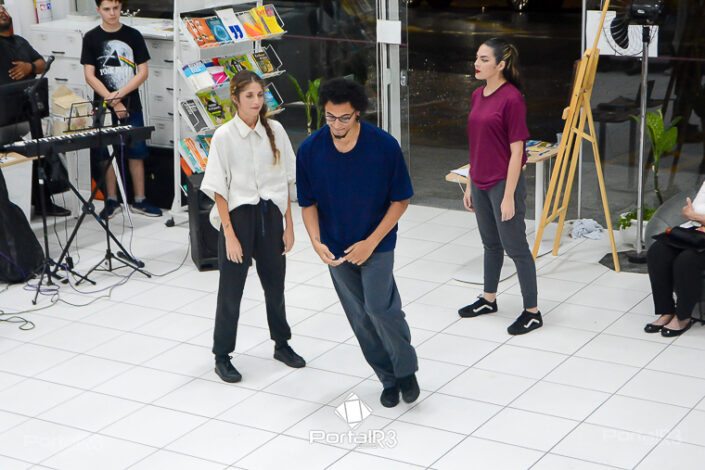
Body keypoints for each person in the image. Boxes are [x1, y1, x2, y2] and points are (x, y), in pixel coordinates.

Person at [297, 78, 420, 408]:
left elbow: (400, 200)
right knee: (360, 318)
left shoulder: (383, 147)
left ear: (358, 114)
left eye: (344, 118)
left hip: (377, 243)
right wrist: (316, 241)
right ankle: (388, 378)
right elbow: (308, 203)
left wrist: (370, 242)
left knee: (380, 308)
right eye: (330, 117)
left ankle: (406, 371)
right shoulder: (310, 150)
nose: (337, 125)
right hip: (336, 248)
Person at [200, 70, 305, 383]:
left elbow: (286, 180)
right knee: (231, 291)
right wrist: (229, 235)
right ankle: (222, 355)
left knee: (275, 286)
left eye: (260, 95)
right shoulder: (224, 136)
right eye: (249, 96)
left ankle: (282, 344)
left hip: (270, 217)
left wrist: (289, 226)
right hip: (238, 219)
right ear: (235, 98)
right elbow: (219, 189)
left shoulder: (276, 130)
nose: (257, 101)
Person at [458, 37, 543, 335]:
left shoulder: (512, 98)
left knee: (516, 248)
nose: (477, 64)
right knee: (490, 244)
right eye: (476, 58)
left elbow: (518, 152)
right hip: (480, 181)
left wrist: (508, 197)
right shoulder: (477, 95)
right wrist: (470, 184)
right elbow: (476, 145)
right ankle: (488, 299)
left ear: (501, 65)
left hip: (504, 184)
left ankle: (532, 312)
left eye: (484, 59)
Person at [80, 0, 161, 219]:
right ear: (98, 10)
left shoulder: (133, 35)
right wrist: (113, 102)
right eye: (107, 9)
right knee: (106, 154)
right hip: (103, 106)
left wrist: (120, 95)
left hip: (131, 102)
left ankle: (140, 200)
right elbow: (89, 76)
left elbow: (142, 72)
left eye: (116, 8)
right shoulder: (91, 38)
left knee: (137, 150)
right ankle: (112, 200)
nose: (112, 13)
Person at [0, 4, 70, 217]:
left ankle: (42, 202)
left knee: (37, 154)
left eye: (3, 9)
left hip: (27, 112)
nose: (2, 12)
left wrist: (29, 67)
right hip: (3, 116)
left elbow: (42, 64)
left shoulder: (20, 42)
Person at [644, 197, 703, 337]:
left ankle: (683, 317)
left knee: (687, 260)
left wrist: (694, 215)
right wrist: (691, 213)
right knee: (658, 251)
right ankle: (666, 311)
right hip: (698, 231)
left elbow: (692, 214)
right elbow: (694, 207)